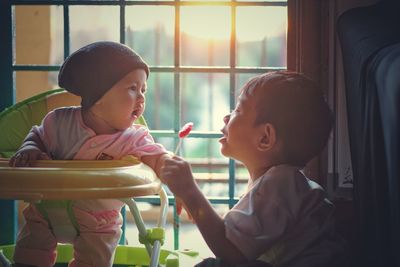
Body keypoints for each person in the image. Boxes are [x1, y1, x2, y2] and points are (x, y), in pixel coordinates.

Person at [161, 71, 348, 267]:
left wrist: (190, 191)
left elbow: (231, 250)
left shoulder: (281, 184)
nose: (226, 116)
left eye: (238, 110)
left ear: (265, 138)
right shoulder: (285, 183)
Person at [9, 41, 171, 267]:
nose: (142, 98)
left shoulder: (134, 138)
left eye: (143, 89)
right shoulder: (59, 121)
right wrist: (30, 149)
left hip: (99, 223)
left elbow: (158, 157)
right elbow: (37, 135)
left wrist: (180, 183)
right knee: (29, 255)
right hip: (45, 211)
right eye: (132, 88)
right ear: (99, 94)